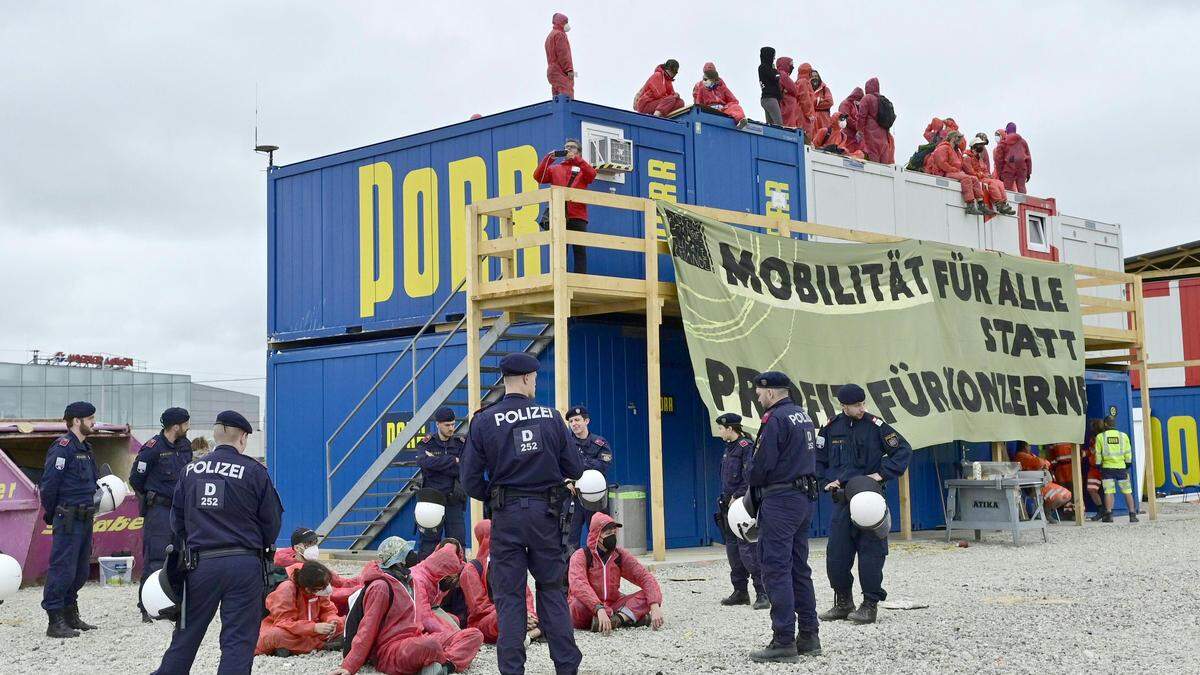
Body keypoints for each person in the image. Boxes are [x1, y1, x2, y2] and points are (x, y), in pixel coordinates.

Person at [459, 352, 584, 675]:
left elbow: (470, 479)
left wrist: (496, 496)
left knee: (510, 597)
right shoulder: (552, 417)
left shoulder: (484, 420)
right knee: (551, 591)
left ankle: (512, 670)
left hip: (507, 517)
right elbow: (575, 467)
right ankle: (567, 667)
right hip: (546, 515)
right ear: (528, 378)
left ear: (505, 380)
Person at [151, 410, 283, 675]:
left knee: (186, 636)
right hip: (244, 564)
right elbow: (272, 523)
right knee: (238, 640)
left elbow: (176, 522)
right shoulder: (254, 472)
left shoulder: (190, 472)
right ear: (243, 438)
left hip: (200, 565)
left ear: (216, 435)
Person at [816, 384, 912, 626]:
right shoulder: (830, 428)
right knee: (836, 555)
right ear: (844, 406)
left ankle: (869, 605)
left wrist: (881, 474)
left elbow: (902, 450)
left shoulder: (874, 426)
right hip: (842, 502)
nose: (862, 408)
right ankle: (843, 602)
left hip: (869, 499)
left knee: (871, 553)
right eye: (857, 405)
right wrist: (826, 482)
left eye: (863, 403)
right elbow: (817, 459)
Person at [745, 372, 820, 663]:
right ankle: (809, 635)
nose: (759, 398)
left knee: (776, 568)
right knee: (799, 568)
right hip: (801, 499)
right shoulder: (802, 415)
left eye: (760, 393)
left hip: (780, 500)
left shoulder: (774, 419)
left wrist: (751, 480)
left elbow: (761, 464)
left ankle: (783, 640)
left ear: (772, 393)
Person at [333, 536, 481, 675]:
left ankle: (445, 665)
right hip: (390, 650)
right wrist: (349, 666)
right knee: (430, 646)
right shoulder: (381, 586)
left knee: (474, 634)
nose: (412, 555)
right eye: (407, 552)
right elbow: (367, 628)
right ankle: (441, 661)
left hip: (417, 637)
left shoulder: (409, 580)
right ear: (398, 560)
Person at [40, 401, 100, 638]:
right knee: (62, 569)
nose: (94, 422)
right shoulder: (62, 448)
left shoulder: (87, 449)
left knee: (80, 570)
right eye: (90, 418)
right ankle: (55, 621)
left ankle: (70, 614)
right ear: (77, 421)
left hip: (85, 517)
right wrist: (52, 512)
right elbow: (49, 486)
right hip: (67, 517)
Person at [131, 407, 193, 622]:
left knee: (179, 557)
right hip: (159, 511)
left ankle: (171, 603)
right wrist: (151, 498)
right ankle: (147, 606)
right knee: (156, 558)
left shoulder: (185, 446)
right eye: (185, 424)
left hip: (180, 511)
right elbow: (136, 479)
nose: (188, 427)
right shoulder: (152, 448)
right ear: (176, 426)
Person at [567, 512, 664, 632]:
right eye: (608, 534)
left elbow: (645, 577)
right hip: (589, 608)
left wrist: (654, 606)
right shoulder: (581, 556)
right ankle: (629, 618)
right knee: (577, 605)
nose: (612, 537)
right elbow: (578, 584)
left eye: (614, 533)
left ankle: (617, 620)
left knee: (647, 595)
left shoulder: (620, 555)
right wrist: (598, 608)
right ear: (596, 536)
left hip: (613, 606)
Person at [715, 413, 768, 610]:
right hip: (728, 506)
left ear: (730, 429)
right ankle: (740, 591)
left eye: (721, 428)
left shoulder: (746, 447)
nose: (720, 431)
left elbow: (749, 477)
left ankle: (762, 592)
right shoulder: (729, 449)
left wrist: (738, 496)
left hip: (743, 506)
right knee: (733, 550)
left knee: (749, 549)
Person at [460, 520, 541, 644]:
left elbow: (525, 594)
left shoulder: (509, 562)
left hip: (514, 613)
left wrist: (527, 612)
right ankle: (529, 633)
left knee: (550, 613)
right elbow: (479, 608)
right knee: (503, 618)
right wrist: (517, 614)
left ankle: (525, 633)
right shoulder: (471, 570)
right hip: (486, 621)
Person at [533, 138, 597, 275]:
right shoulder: (555, 169)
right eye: (566, 147)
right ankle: (560, 277)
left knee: (580, 250)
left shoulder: (583, 168)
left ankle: (580, 280)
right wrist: (549, 158)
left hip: (578, 215)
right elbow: (538, 177)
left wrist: (576, 160)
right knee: (561, 249)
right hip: (559, 214)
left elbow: (592, 175)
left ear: (579, 152)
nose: (568, 149)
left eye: (572, 147)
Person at [256, 560, 344, 657]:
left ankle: (292, 648)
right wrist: (313, 628)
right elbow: (284, 622)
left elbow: (327, 609)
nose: (327, 589)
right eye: (323, 587)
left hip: (312, 629)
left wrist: (332, 621)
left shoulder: (319, 588)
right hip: (290, 629)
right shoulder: (287, 589)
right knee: (276, 635)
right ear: (308, 589)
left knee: (341, 623)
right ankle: (322, 645)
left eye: (328, 584)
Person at [416, 407, 467, 560]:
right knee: (429, 546)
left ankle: (459, 581)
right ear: (438, 424)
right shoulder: (427, 443)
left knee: (457, 544)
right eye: (447, 425)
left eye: (453, 424)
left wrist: (436, 464)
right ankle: (424, 580)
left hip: (454, 500)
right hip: (432, 502)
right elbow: (423, 463)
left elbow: (464, 467)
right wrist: (452, 460)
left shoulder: (460, 443)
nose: (451, 428)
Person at [275, 527, 362, 615]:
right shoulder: (295, 569)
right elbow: (329, 593)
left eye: (315, 542)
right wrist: (361, 589)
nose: (314, 547)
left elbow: (341, 582)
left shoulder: (313, 564)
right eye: (309, 543)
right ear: (297, 548)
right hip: (308, 614)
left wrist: (365, 578)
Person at [564, 405, 613, 553]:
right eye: (571, 421)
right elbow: (556, 465)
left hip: (596, 497)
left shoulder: (599, 442)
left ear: (587, 421)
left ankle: (601, 570)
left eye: (577, 420)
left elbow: (604, 465)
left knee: (601, 534)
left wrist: (578, 464)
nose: (574, 424)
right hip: (573, 496)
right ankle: (570, 574)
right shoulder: (565, 444)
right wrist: (565, 479)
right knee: (570, 540)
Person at [927, 131, 988, 215]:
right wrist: (953, 169)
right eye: (959, 139)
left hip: (956, 172)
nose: (960, 141)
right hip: (946, 172)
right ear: (954, 138)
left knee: (974, 179)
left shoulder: (956, 150)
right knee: (966, 178)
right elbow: (941, 163)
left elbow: (960, 164)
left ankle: (981, 204)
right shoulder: (943, 147)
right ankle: (970, 205)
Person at [1094, 418, 1139, 523]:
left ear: (1105, 424)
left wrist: (1099, 465)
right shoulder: (1123, 436)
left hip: (1107, 468)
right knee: (1127, 491)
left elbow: (1098, 454)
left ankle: (1109, 515)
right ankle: (1132, 515)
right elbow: (1128, 452)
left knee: (1109, 492)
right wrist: (1127, 464)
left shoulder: (1101, 437)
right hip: (1121, 468)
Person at [1013, 443, 1072, 522]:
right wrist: (1044, 464)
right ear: (1024, 446)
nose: (1030, 447)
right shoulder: (1021, 455)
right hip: (1034, 486)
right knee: (1058, 497)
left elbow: (1044, 463)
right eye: (1028, 445)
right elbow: (1039, 462)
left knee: (1067, 495)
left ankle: (1046, 511)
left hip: (1044, 483)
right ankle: (1046, 514)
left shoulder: (1031, 455)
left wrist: (1044, 464)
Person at [965, 135, 1017, 215]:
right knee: (992, 183)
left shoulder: (978, 157)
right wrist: (982, 174)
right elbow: (969, 171)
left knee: (999, 182)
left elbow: (984, 169)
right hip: (976, 178)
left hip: (981, 177)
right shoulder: (967, 156)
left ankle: (1004, 203)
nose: (982, 146)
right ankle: (999, 203)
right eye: (980, 145)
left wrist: (987, 175)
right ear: (974, 146)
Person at [692, 62, 747, 126]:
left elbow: (734, 100)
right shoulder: (700, 87)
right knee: (699, 110)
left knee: (736, 107)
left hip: (723, 109)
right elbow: (698, 103)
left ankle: (740, 121)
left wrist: (726, 107)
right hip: (709, 110)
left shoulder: (722, 87)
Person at [855, 77, 894, 164]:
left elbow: (862, 116)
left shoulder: (867, 98)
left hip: (871, 133)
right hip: (884, 134)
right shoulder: (882, 100)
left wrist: (859, 131)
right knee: (884, 159)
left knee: (873, 159)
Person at [994, 122, 1032, 193]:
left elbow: (998, 159)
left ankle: (1007, 203)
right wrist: (1028, 172)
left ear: (1007, 131)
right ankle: (1022, 203)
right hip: (1022, 167)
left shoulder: (1003, 142)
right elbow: (1028, 158)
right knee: (1021, 188)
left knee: (1007, 189)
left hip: (1009, 167)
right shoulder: (1023, 142)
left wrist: (999, 173)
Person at [544, 13, 574, 98]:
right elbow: (563, 54)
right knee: (566, 95)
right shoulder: (560, 35)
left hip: (552, 71)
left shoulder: (550, 36)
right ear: (561, 22)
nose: (567, 25)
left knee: (557, 97)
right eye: (566, 22)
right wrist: (569, 69)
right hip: (560, 70)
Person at [758, 46, 783, 125]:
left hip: (767, 99)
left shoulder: (763, 68)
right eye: (773, 56)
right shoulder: (764, 67)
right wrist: (775, 70)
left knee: (770, 125)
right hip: (770, 99)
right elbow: (776, 77)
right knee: (778, 124)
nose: (774, 58)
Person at [775, 56, 800, 128]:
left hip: (785, 103)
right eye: (791, 64)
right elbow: (794, 89)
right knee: (789, 124)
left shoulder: (780, 74)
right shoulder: (783, 74)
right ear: (785, 64)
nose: (792, 67)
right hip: (787, 103)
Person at [795, 62, 817, 139]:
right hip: (803, 115)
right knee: (805, 136)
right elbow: (804, 98)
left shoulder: (803, 81)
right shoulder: (803, 81)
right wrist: (809, 114)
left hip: (804, 114)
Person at [810, 69, 834, 135]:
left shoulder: (825, 89)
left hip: (823, 121)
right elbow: (805, 103)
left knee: (824, 139)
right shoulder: (807, 90)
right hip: (811, 120)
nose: (814, 78)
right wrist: (817, 101)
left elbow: (829, 102)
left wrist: (813, 105)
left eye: (816, 76)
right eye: (812, 76)